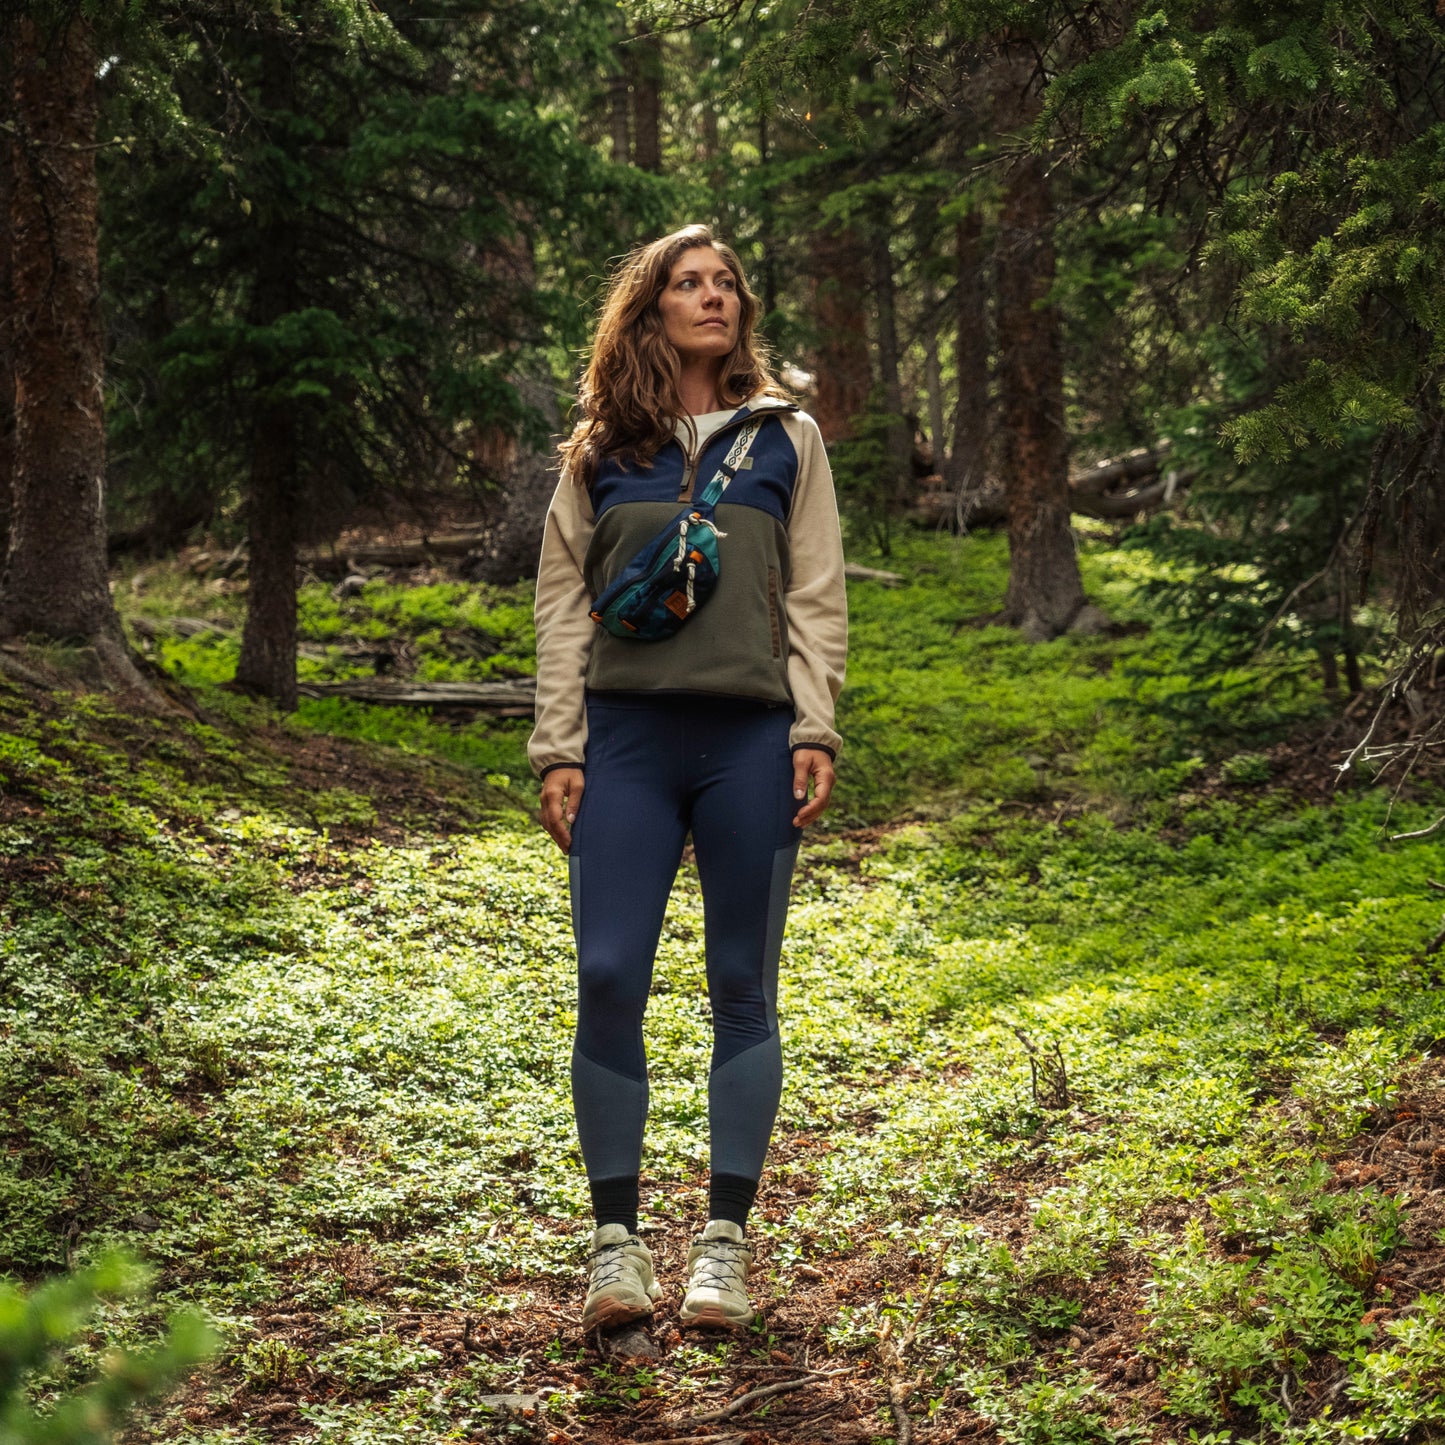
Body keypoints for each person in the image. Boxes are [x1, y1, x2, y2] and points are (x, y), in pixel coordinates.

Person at [528, 223, 847, 1333]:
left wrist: (816, 725)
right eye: (687, 283)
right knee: (609, 974)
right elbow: (562, 607)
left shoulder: (786, 440)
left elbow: (814, 594)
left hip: (750, 745)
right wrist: (556, 746)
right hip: (621, 745)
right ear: (649, 310)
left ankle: (722, 1244)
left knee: (740, 984)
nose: (711, 298)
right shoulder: (599, 451)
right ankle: (615, 1247)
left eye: (725, 284)